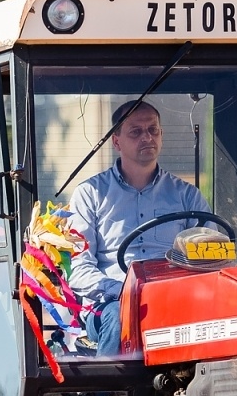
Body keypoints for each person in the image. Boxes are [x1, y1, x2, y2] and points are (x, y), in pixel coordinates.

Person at [68, 99, 209, 358]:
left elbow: (212, 255)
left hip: (173, 299)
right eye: (136, 131)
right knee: (120, 319)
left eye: (153, 130)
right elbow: (79, 270)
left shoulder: (188, 196)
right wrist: (122, 290)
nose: (147, 137)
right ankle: (110, 395)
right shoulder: (90, 194)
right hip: (110, 305)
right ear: (117, 141)